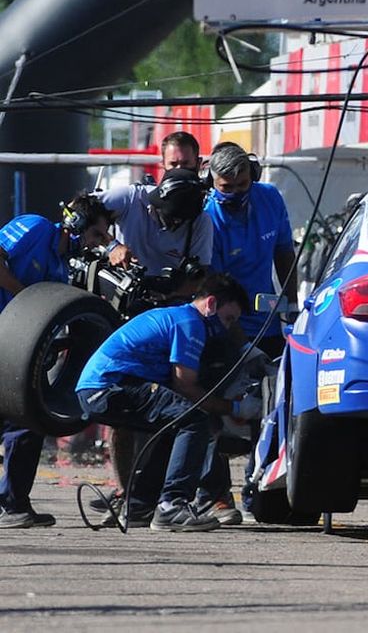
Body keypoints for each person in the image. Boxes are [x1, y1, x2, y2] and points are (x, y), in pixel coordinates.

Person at [76, 274, 250, 532]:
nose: (226, 327)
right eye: (228, 319)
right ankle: (172, 506)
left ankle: (139, 506)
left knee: (174, 424)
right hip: (110, 387)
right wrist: (235, 408)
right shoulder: (190, 323)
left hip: (97, 389)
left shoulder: (178, 316)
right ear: (211, 304)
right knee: (194, 420)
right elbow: (185, 386)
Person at [0, 194, 113, 528]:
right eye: (96, 234)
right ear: (77, 225)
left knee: (26, 421)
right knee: (21, 422)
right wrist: (26, 298)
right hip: (7, 332)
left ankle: (13, 503)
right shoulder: (35, 227)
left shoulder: (61, 268)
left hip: (14, 348)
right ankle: (12, 503)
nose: (97, 243)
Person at [204, 142, 296, 358]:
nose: (235, 192)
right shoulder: (207, 220)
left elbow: (284, 253)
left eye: (242, 184)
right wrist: (244, 347)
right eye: (226, 187)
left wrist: (292, 306)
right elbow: (215, 290)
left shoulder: (270, 198)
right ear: (211, 182)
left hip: (269, 323)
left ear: (253, 176)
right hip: (227, 328)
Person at [98, 131, 213, 276]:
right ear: (163, 164)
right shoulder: (132, 197)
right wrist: (111, 245)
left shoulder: (200, 220)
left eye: (185, 164)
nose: (179, 171)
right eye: (173, 164)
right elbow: (80, 209)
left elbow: (200, 275)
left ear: (198, 164)